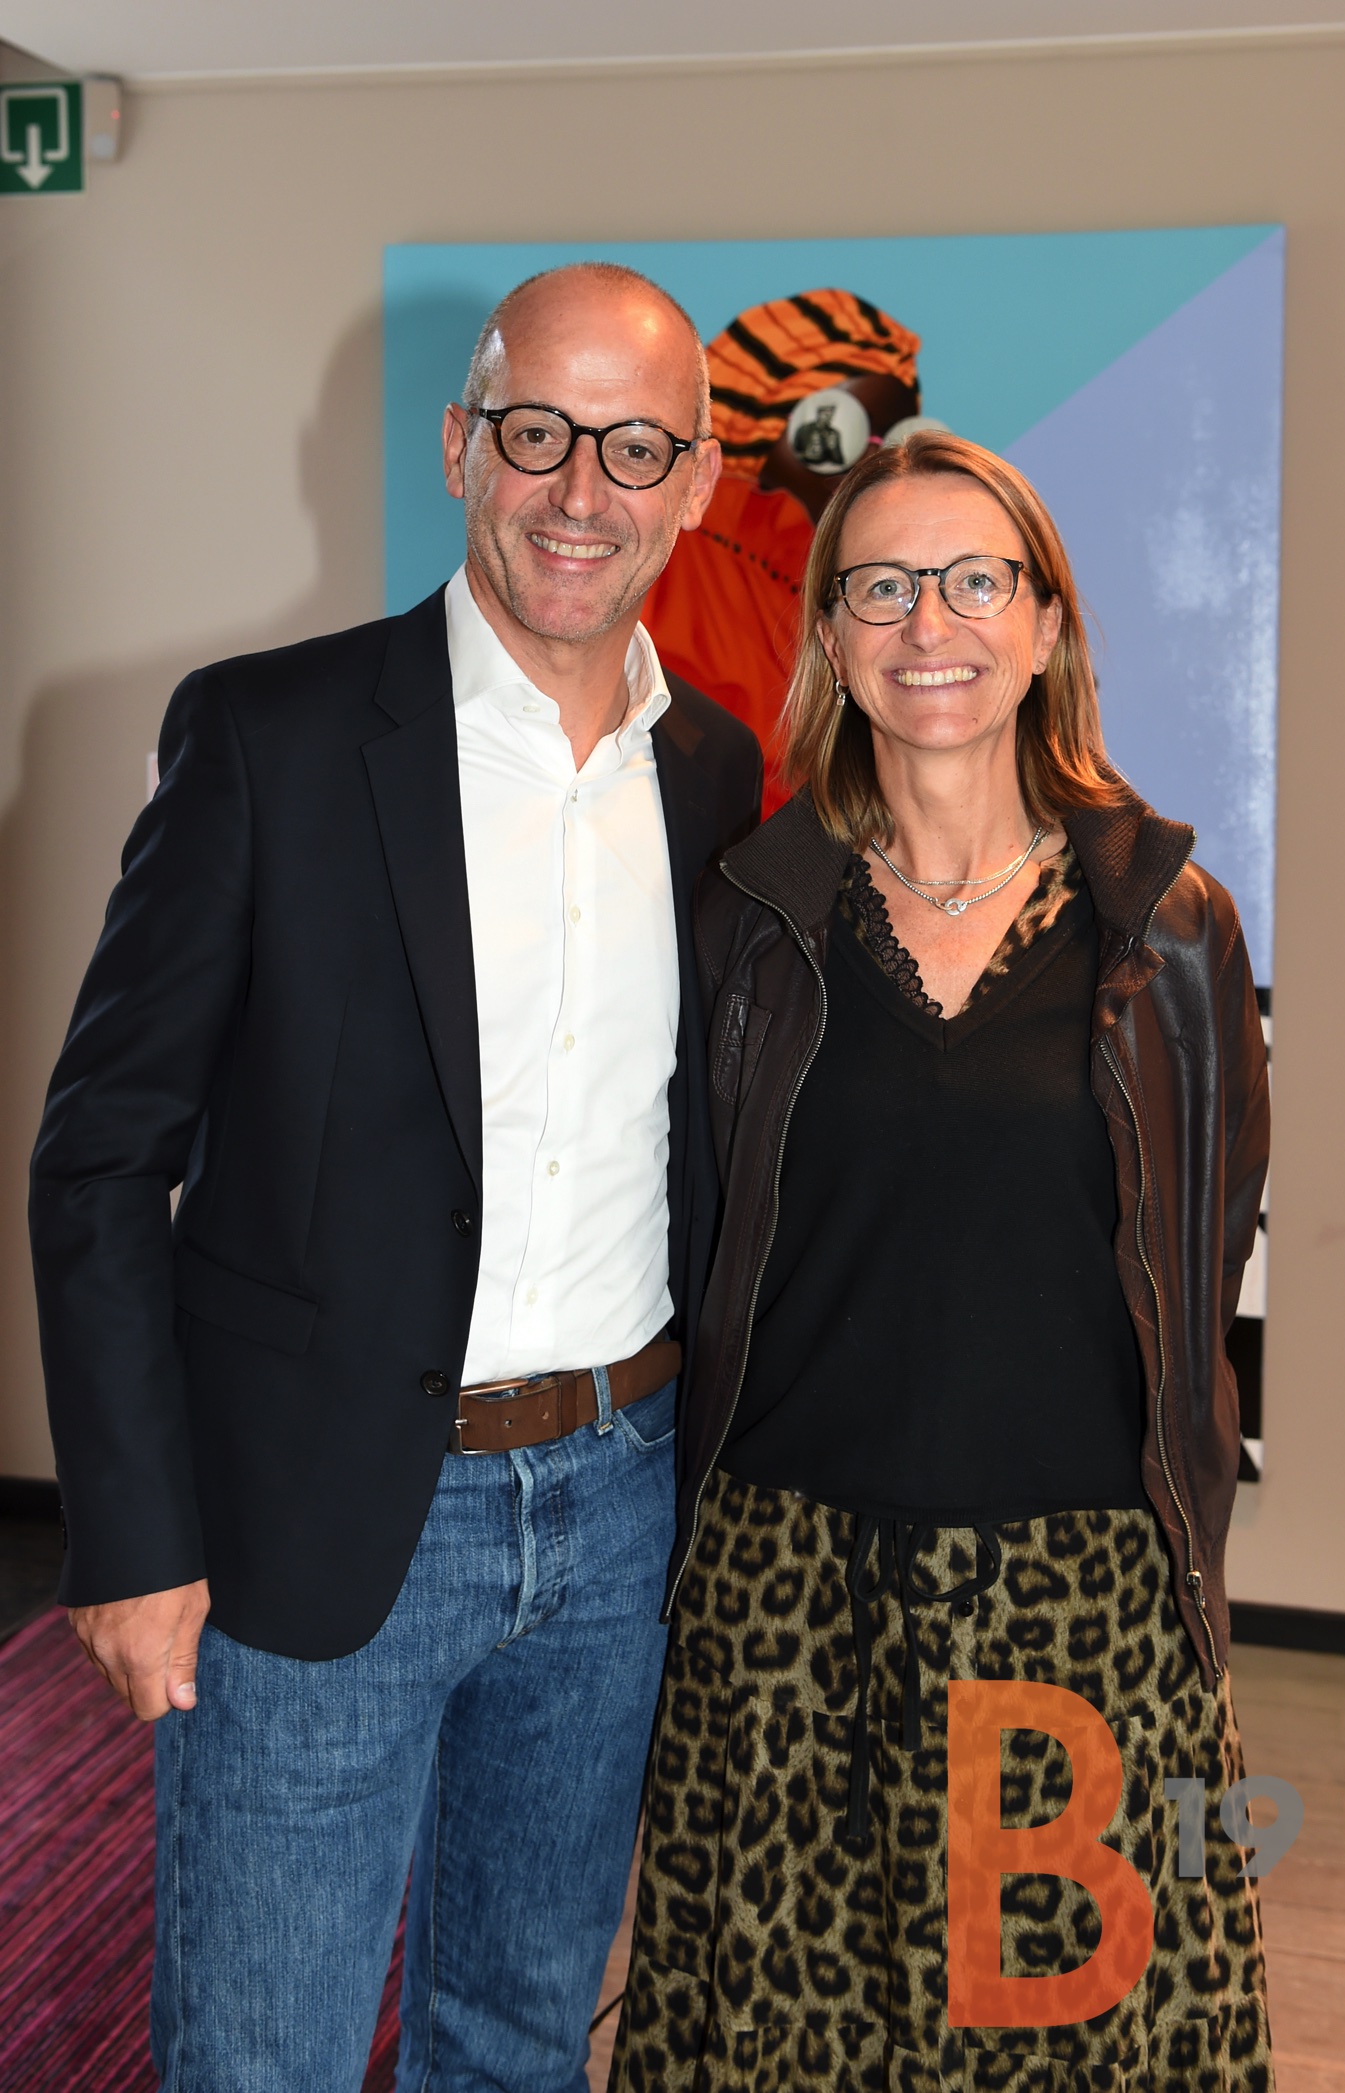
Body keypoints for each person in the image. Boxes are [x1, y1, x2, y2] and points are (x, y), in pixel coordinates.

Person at [29, 261, 762, 2093]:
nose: (579, 491)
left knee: (515, 2034)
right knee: (260, 2053)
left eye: (633, 448)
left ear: (694, 482)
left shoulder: (712, 771)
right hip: (324, 1510)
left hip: (617, 1509)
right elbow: (101, 1152)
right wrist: (135, 1537)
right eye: (535, 432)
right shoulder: (268, 737)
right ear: (459, 445)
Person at [610, 429, 1273, 2090]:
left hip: (1081, 1608)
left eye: (976, 580)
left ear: (1044, 624)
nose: (931, 623)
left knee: (1075, 2054)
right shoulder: (750, 918)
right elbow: (696, 1237)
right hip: (786, 1602)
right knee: (785, 2050)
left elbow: (1200, 1255)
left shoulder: (1168, 924)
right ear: (830, 638)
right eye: (883, 586)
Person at [641, 289, 924, 805]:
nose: (873, 465)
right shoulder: (667, 573)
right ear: (758, 426)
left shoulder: (896, 594)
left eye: (894, 440)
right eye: (834, 434)